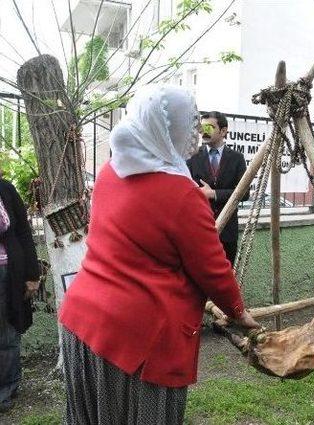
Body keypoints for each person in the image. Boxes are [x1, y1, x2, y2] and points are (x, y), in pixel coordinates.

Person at [59, 85, 259, 425]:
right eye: (190, 125)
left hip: (81, 319)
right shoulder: (182, 194)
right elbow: (213, 270)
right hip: (137, 338)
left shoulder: (111, 172)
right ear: (170, 130)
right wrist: (239, 312)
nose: (194, 134)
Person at [187, 111, 248, 264]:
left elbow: (244, 193)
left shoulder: (236, 158)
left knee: (226, 275)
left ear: (223, 131)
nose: (204, 131)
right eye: (203, 127)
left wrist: (214, 194)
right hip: (199, 230)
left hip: (227, 231)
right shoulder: (192, 156)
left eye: (210, 127)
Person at [0, 179, 40, 413]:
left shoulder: (5, 189)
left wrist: (32, 274)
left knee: (5, 334)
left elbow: (24, 232)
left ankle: (5, 389)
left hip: (6, 271)